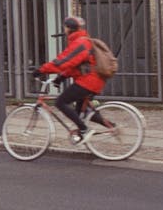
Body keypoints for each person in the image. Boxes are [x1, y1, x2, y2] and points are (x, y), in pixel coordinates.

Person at [35, 15, 109, 144]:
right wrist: (61, 78)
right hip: (92, 80)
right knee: (82, 112)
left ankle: (84, 130)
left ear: (69, 28)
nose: (63, 29)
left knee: (60, 102)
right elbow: (74, 66)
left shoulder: (80, 42)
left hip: (88, 81)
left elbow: (63, 62)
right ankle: (111, 127)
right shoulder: (81, 41)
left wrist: (41, 70)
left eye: (65, 26)